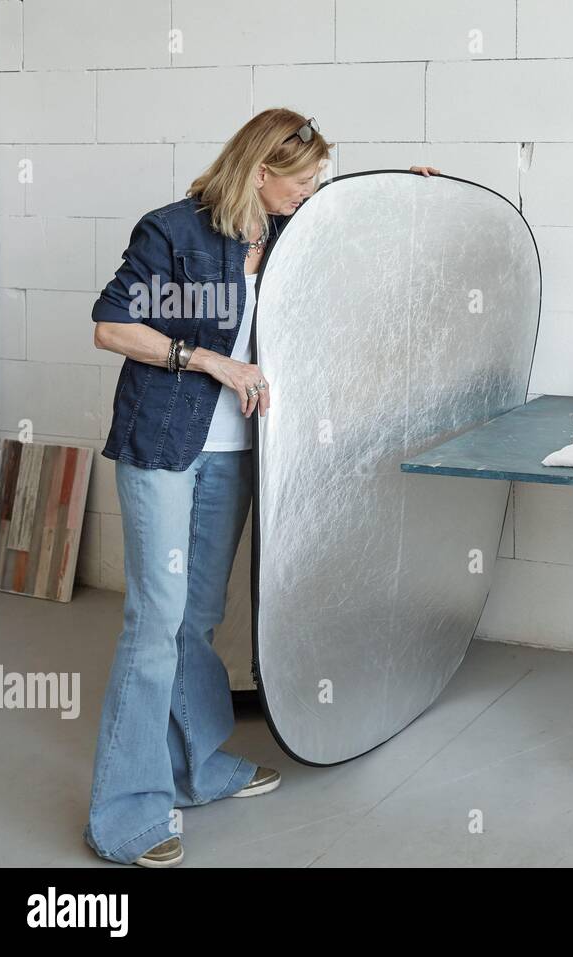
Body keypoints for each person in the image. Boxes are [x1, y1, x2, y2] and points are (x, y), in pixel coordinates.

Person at [85, 107, 440, 866]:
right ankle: (125, 813)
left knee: (198, 617)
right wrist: (212, 362)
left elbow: (362, 257)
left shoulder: (286, 236)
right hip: (164, 446)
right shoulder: (174, 231)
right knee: (156, 622)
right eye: (303, 182)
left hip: (236, 454)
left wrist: (413, 203)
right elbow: (112, 325)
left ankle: (198, 766)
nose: (312, 194)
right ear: (260, 173)